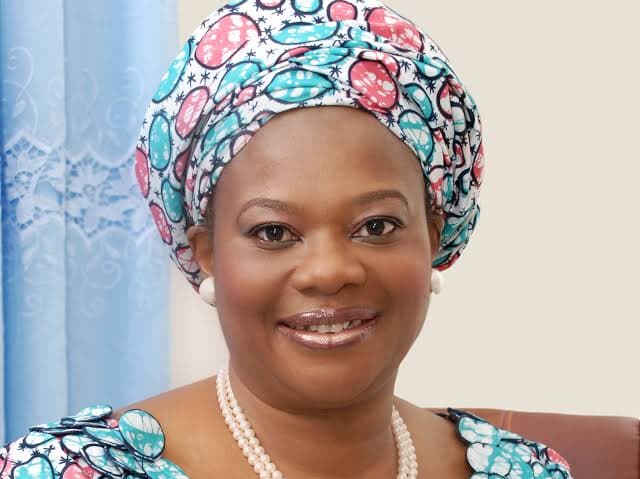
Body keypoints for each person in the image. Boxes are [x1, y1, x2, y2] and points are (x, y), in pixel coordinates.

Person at [0, 1, 573, 478]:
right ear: (207, 256)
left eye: (376, 226)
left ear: (434, 237)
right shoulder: (66, 471)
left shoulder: (525, 472)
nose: (328, 271)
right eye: (274, 232)